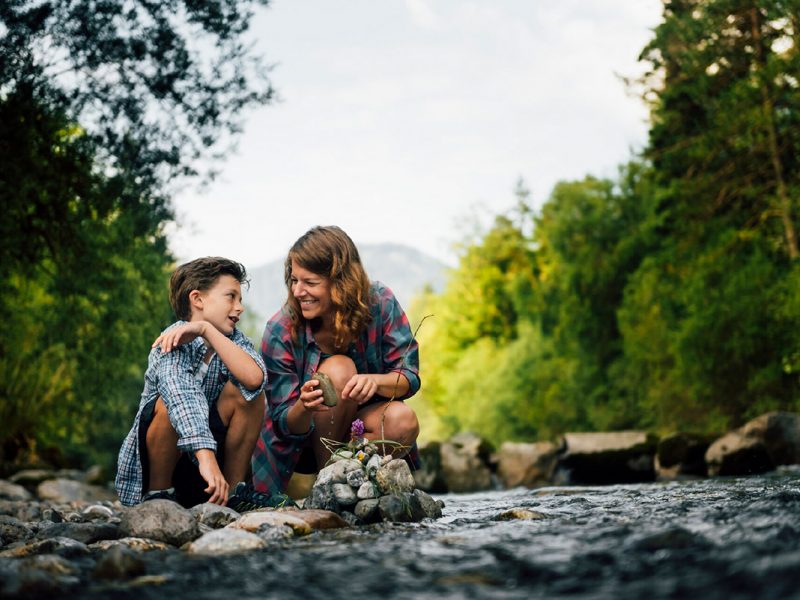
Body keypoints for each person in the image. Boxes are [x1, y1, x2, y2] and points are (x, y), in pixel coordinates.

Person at [251, 226, 421, 497]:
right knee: (340, 369)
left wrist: (376, 382)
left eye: (310, 282)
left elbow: (409, 377)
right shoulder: (280, 329)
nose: (297, 291)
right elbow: (284, 425)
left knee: (403, 419)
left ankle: (345, 484)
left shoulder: (381, 302)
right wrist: (303, 406)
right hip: (301, 448)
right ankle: (326, 483)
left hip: (361, 434)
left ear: (340, 281)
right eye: (294, 280)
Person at [115, 257, 279, 510]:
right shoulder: (171, 341)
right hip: (179, 461)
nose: (239, 307)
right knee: (166, 404)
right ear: (198, 299)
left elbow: (255, 379)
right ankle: (160, 494)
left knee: (248, 394)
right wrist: (205, 456)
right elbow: (182, 396)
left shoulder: (234, 341)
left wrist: (206, 329)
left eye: (240, 300)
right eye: (231, 297)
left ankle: (234, 493)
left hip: (210, 472)